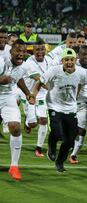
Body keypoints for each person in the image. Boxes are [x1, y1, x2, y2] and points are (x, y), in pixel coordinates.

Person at [33, 48, 87, 172]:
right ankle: (51, 147)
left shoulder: (82, 73)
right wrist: (33, 96)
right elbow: (39, 82)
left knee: (70, 141)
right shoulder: (54, 71)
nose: (69, 62)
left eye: (71, 60)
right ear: (62, 61)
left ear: (75, 60)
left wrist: (75, 98)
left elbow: (81, 84)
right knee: (57, 133)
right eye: (66, 60)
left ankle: (60, 161)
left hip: (71, 108)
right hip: (54, 106)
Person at [0, 39, 35, 180]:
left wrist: (27, 93)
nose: (21, 54)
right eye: (18, 51)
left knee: (15, 128)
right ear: (11, 52)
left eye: (23, 51)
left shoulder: (24, 66)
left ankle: (14, 166)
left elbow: (18, 79)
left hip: (7, 96)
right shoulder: (1, 62)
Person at [20, 39, 50, 157]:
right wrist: (53, 89)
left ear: (46, 49)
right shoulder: (29, 63)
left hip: (42, 94)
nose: (40, 52)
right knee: (33, 124)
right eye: (37, 49)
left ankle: (39, 148)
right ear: (33, 50)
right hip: (29, 95)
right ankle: (28, 122)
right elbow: (39, 79)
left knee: (43, 120)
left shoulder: (49, 61)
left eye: (42, 49)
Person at [69, 45, 87, 163]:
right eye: (83, 55)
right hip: (69, 102)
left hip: (83, 102)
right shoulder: (72, 66)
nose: (86, 57)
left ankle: (74, 155)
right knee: (69, 129)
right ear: (78, 55)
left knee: (82, 130)